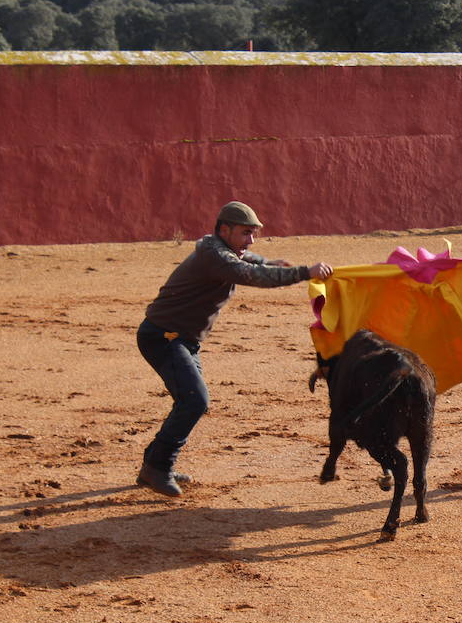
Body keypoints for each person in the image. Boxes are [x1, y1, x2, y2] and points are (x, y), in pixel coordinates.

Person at [135, 201, 333, 497]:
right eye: (245, 233)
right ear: (223, 230)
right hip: (162, 337)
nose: (250, 240)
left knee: (189, 401)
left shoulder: (222, 250)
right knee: (194, 401)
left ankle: (155, 463)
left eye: (254, 234)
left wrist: (270, 263)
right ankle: (157, 467)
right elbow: (249, 274)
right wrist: (304, 272)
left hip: (184, 339)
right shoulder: (214, 256)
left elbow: (252, 261)